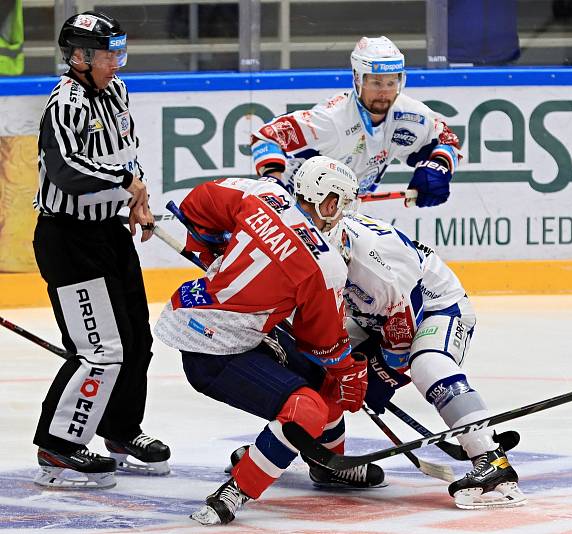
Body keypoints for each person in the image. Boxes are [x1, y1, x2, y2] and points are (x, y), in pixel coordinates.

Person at [153, 156, 379, 526]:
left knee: (320, 382)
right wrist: (349, 373)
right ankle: (236, 491)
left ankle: (327, 466)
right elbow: (321, 343)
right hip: (214, 352)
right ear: (329, 202)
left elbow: (200, 201)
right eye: (342, 205)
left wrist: (210, 248)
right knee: (309, 408)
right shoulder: (325, 264)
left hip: (191, 314)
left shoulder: (265, 192)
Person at [32, 10, 169, 490]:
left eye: (118, 50)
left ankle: (119, 430)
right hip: (68, 240)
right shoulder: (62, 104)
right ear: (78, 56)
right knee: (98, 350)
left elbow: (126, 154)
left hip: (109, 233)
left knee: (136, 341)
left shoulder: (117, 92)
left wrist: (139, 198)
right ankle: (59, 446)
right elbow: (68, 168)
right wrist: (125, 184)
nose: (117, 60)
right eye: (108, 52)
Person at [325, 212, 526, 509]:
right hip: (377, 319)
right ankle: (322, 456)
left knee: (427, 362)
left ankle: (490, 457)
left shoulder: (380, 274)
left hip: (438, 309)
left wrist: (374, 377)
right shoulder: (325, 240)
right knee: (317, 362)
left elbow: (400, 348)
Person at [251, 36, 461, 208]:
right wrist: (273, 185)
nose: (384, 92)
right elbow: (267, 136)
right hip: (295, 208)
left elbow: (446, 139)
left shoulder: (409, 115)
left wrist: (437, 169)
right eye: (375, 82)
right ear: (358, 79)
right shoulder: (332, 118)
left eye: (391, 82)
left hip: (340, 214)